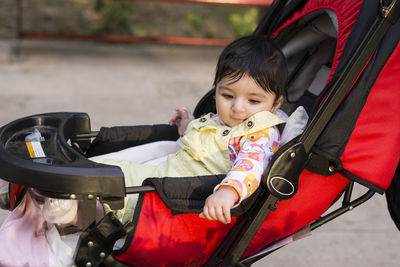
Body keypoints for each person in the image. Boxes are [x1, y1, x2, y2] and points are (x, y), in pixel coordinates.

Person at [0, 34, 288, 266]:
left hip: (178, 194)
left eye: (253, 101)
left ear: (275, 105)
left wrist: (230, 191)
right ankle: (36, 190)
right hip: (162, 170)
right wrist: (187, 123)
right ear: (216, 91)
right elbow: (204, 133)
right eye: (227, 95)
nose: (237, 108)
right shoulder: (219, 118)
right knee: (111, 173)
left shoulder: (259, 135)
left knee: (118, 198)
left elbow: (250, 166)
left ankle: (65, 209)